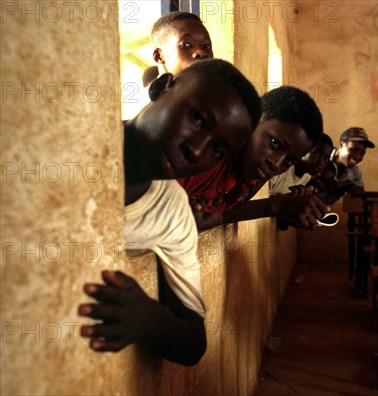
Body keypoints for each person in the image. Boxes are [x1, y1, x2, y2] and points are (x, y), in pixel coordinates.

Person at [77, 59, 262, 366]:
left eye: (217, 150)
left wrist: (151, 320)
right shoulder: (74, 141)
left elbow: (193, 344)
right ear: (162, 88)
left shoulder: (173, 212)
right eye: (198, 119)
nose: (196, 150)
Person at [179, 85, 330, 231]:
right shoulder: (203, 150)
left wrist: (279, 207)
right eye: (274, 143)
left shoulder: (248, 173)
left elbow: (205, 218)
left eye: (289, 160)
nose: (276, 164)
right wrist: (276, 206)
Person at [317, 127, 375, 204]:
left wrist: (357, 190)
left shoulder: (354, 174)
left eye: (362, 153)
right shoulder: (320, 157)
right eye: (353, 149)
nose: (358, 157)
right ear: (341, 145)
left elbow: (359, 190)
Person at [269, 133, 334, 197]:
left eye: (326, 158)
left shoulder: (306, 176)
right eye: (317, 153)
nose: (321, 162)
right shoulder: (279, 168)